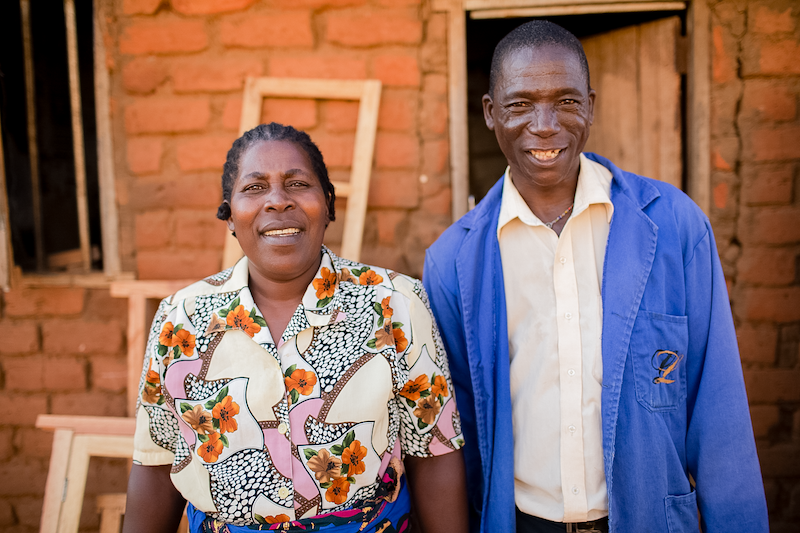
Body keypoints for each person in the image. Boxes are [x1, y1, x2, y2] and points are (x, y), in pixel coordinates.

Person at [423, 20, 768, 533]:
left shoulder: (673, 227)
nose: (544, 124)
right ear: (491, 114)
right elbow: (458, 432)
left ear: (591, 105)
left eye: (565, 101)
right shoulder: (453, 261)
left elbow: (719, 420)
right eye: (520, 104)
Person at [123, 122, 468, 533]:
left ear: (328, 205)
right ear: (229, 216)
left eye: (297, 183)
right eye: (254, 188)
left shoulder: (395, 304)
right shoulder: (180, 320)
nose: (277, 201)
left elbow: (433, 451)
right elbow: (158, 463)